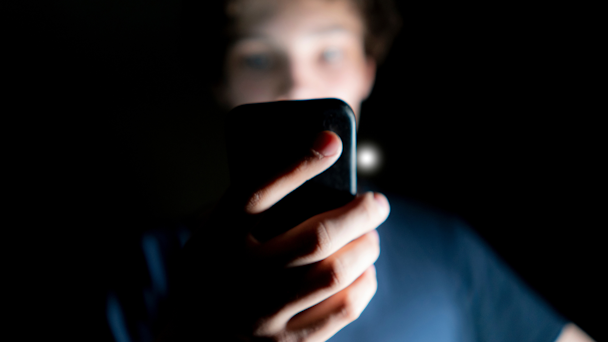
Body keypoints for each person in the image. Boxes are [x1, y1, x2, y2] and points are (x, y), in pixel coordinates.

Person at [105, 0, 595, 341]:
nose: (297, 84)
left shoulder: (447, 248)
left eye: (330, 52)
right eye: (256, 56)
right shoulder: (142, 270)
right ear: (222, 83)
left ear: (368, 71)